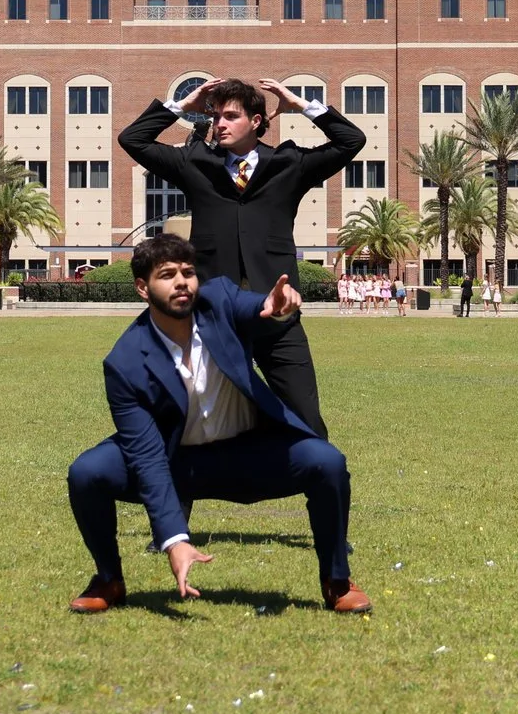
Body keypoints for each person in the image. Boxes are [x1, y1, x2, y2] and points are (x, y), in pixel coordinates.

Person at [65, 233, 368, 615]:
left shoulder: (218, 300)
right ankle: (109, 579)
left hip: (247, 454)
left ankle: (337, 581)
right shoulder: (124, 362)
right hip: (175, 461)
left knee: (327, 462)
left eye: (188, 272)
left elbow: (253, 306)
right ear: (143, 288)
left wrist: (275, 306)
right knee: (87, 472)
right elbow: (146, 456)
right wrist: (174, 539)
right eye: (167, 275)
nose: (181, 282)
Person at [119, 78, 365, 431]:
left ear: (256, 120)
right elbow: (133, 139)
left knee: (305, 417)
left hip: (277, 311)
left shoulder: (289, 163)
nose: (220, 124)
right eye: (216, 116)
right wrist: (182, 106)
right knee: (204, 420)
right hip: (214, 314)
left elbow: (351, 140)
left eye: (231, 116)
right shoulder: (194, 162)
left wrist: (301, 105)